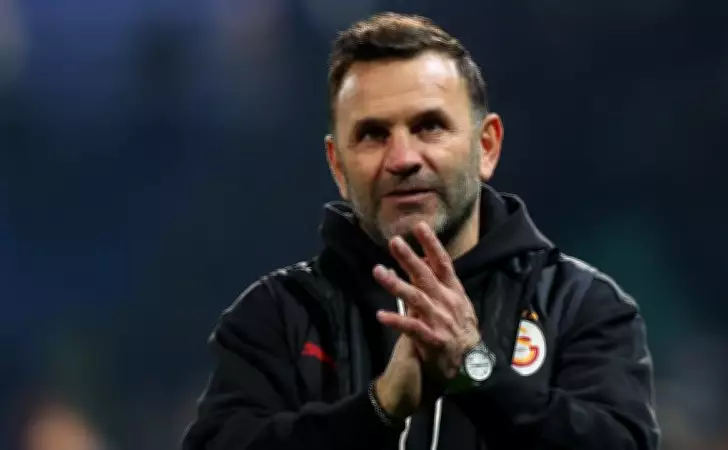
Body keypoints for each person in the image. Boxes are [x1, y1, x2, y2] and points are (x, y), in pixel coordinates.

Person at [182, 12, 660, 450]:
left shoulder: (581, 307)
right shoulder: (273, 317)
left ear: (486, 147)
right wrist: (378, 409)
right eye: (373, 134)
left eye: (429, 126)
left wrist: (475, 370)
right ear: (338, 166)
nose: (403, 159)